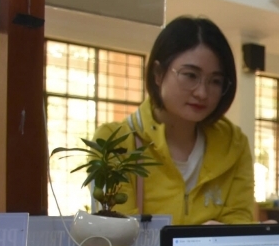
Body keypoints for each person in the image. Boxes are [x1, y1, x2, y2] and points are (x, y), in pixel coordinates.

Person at [92, 17, 255, 225]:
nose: (202, 93)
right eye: (190, 75)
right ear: (158, 74)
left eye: (215, 81)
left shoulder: (234, 144)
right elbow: (117, 231)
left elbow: (240, 222)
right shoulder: (114, 141)